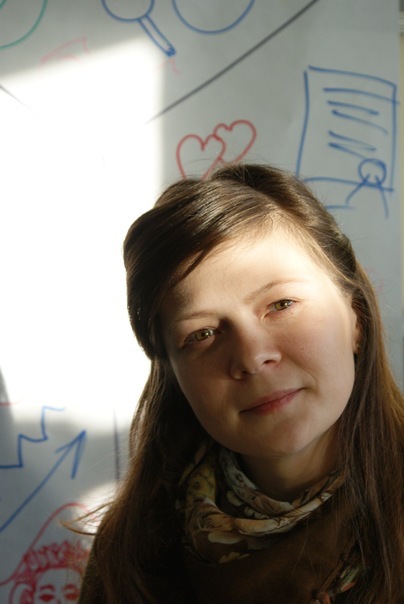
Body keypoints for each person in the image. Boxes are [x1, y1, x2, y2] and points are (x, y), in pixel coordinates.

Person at [78, 163, 404, 603]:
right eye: (202, 334)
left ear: (356, 320)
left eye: (282, 304)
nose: (251, 357)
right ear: (174, 373)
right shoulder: (129, 551)